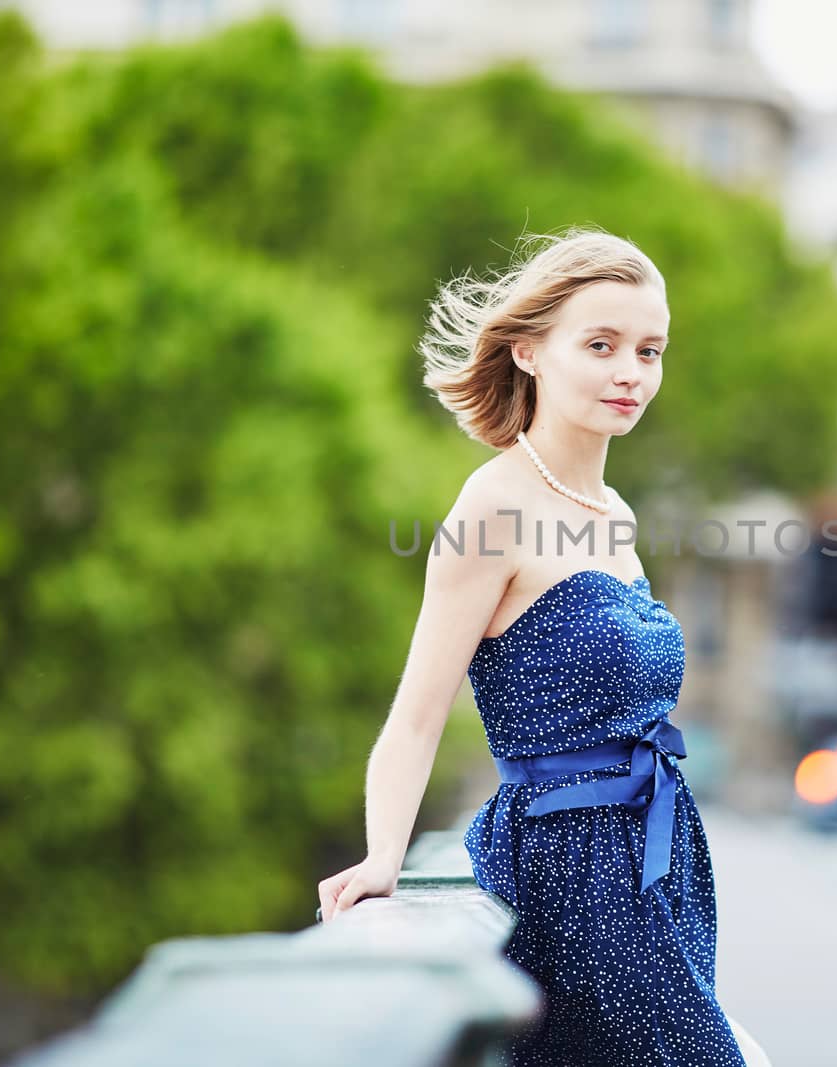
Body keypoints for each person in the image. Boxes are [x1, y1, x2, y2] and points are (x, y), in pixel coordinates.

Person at [315, 228, 769, 1066]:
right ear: (529, 350)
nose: (631, 371)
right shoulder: (491, 506)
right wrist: (384, 854)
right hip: (571, 872)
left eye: (649, 349)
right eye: (601, 345)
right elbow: (416, 715)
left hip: (658, 861)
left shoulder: (617, 512)